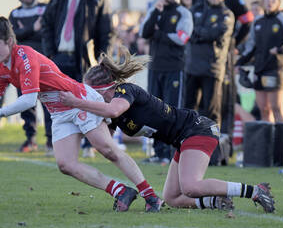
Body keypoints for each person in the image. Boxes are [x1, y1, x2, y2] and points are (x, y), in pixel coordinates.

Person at [59, 45, 275, 213]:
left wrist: (77, 103)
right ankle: (215, 202)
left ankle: (255, 191)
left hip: (197, 130)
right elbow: (107, 146)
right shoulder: (109, 108)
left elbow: (114, 111)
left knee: (190, 186)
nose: (87, 97)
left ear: (103, 89)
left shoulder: (124, 90)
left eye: (89, 92)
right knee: (172, 197)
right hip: (182, 140)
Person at [0, 17, 162, 213]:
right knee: (65, 164)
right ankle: (120, 190)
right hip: (59, 112)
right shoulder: (2, 64)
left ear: (8, 41)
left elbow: (28, 100)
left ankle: (151, 196)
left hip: (79, 100)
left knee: (107, 149)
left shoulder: (25, 56)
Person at [42, 0, 112, 158]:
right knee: (54, 101)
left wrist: (102, 58)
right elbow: (46, 25)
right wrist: (49, 54)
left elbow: (106, 30)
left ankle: (90, 145)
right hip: (59, 57)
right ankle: (54, 142)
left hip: (84, 59)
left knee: (87, 100)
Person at [193, 0, 254, 142]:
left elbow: (247, 21)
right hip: (196, 59)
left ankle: (221, 142)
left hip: (222, 57)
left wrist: (234, 43)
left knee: (222, 101)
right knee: (194, 102)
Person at [139, 0, 193, 164]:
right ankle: (158, 152)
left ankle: (172, 153)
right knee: (154, 111)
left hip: (174, 68)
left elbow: (182, 38)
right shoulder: (155, 10)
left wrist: (159, 34)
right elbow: (144, 33)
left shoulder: (183, 13)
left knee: (172, 111)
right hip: (155, 68)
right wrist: (156, 13)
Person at [236, 0, 283, 123]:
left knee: (277, 108)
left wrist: (282, 50)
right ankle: (268, 143)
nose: (270, 0)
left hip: (276, 69)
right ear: (263, 0)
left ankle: (281, 143)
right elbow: (251, 47)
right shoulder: (257, 21)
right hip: (260, 68)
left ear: (278, 1)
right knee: (264, 109)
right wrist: (239, 63)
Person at [8, 0, 53, 154]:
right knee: (26, 104)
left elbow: (47, 32)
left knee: (49, 103)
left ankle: (51, 140)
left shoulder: (45, 9)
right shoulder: (15, 13)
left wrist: (23, 31)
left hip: (42, 64)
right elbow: (12, 37)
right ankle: (30, 139)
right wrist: (31, 28)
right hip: (22, 65)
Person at [185, 0, 234, 128]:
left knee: (211, 113)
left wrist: (198, 32)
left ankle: (212, 149)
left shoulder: (227, 14)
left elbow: (217, 33)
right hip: (191, 67)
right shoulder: (194, 10)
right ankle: (186, 146)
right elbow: (187, 31)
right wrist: (204, 33)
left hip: (212, 69)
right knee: (188, 110)